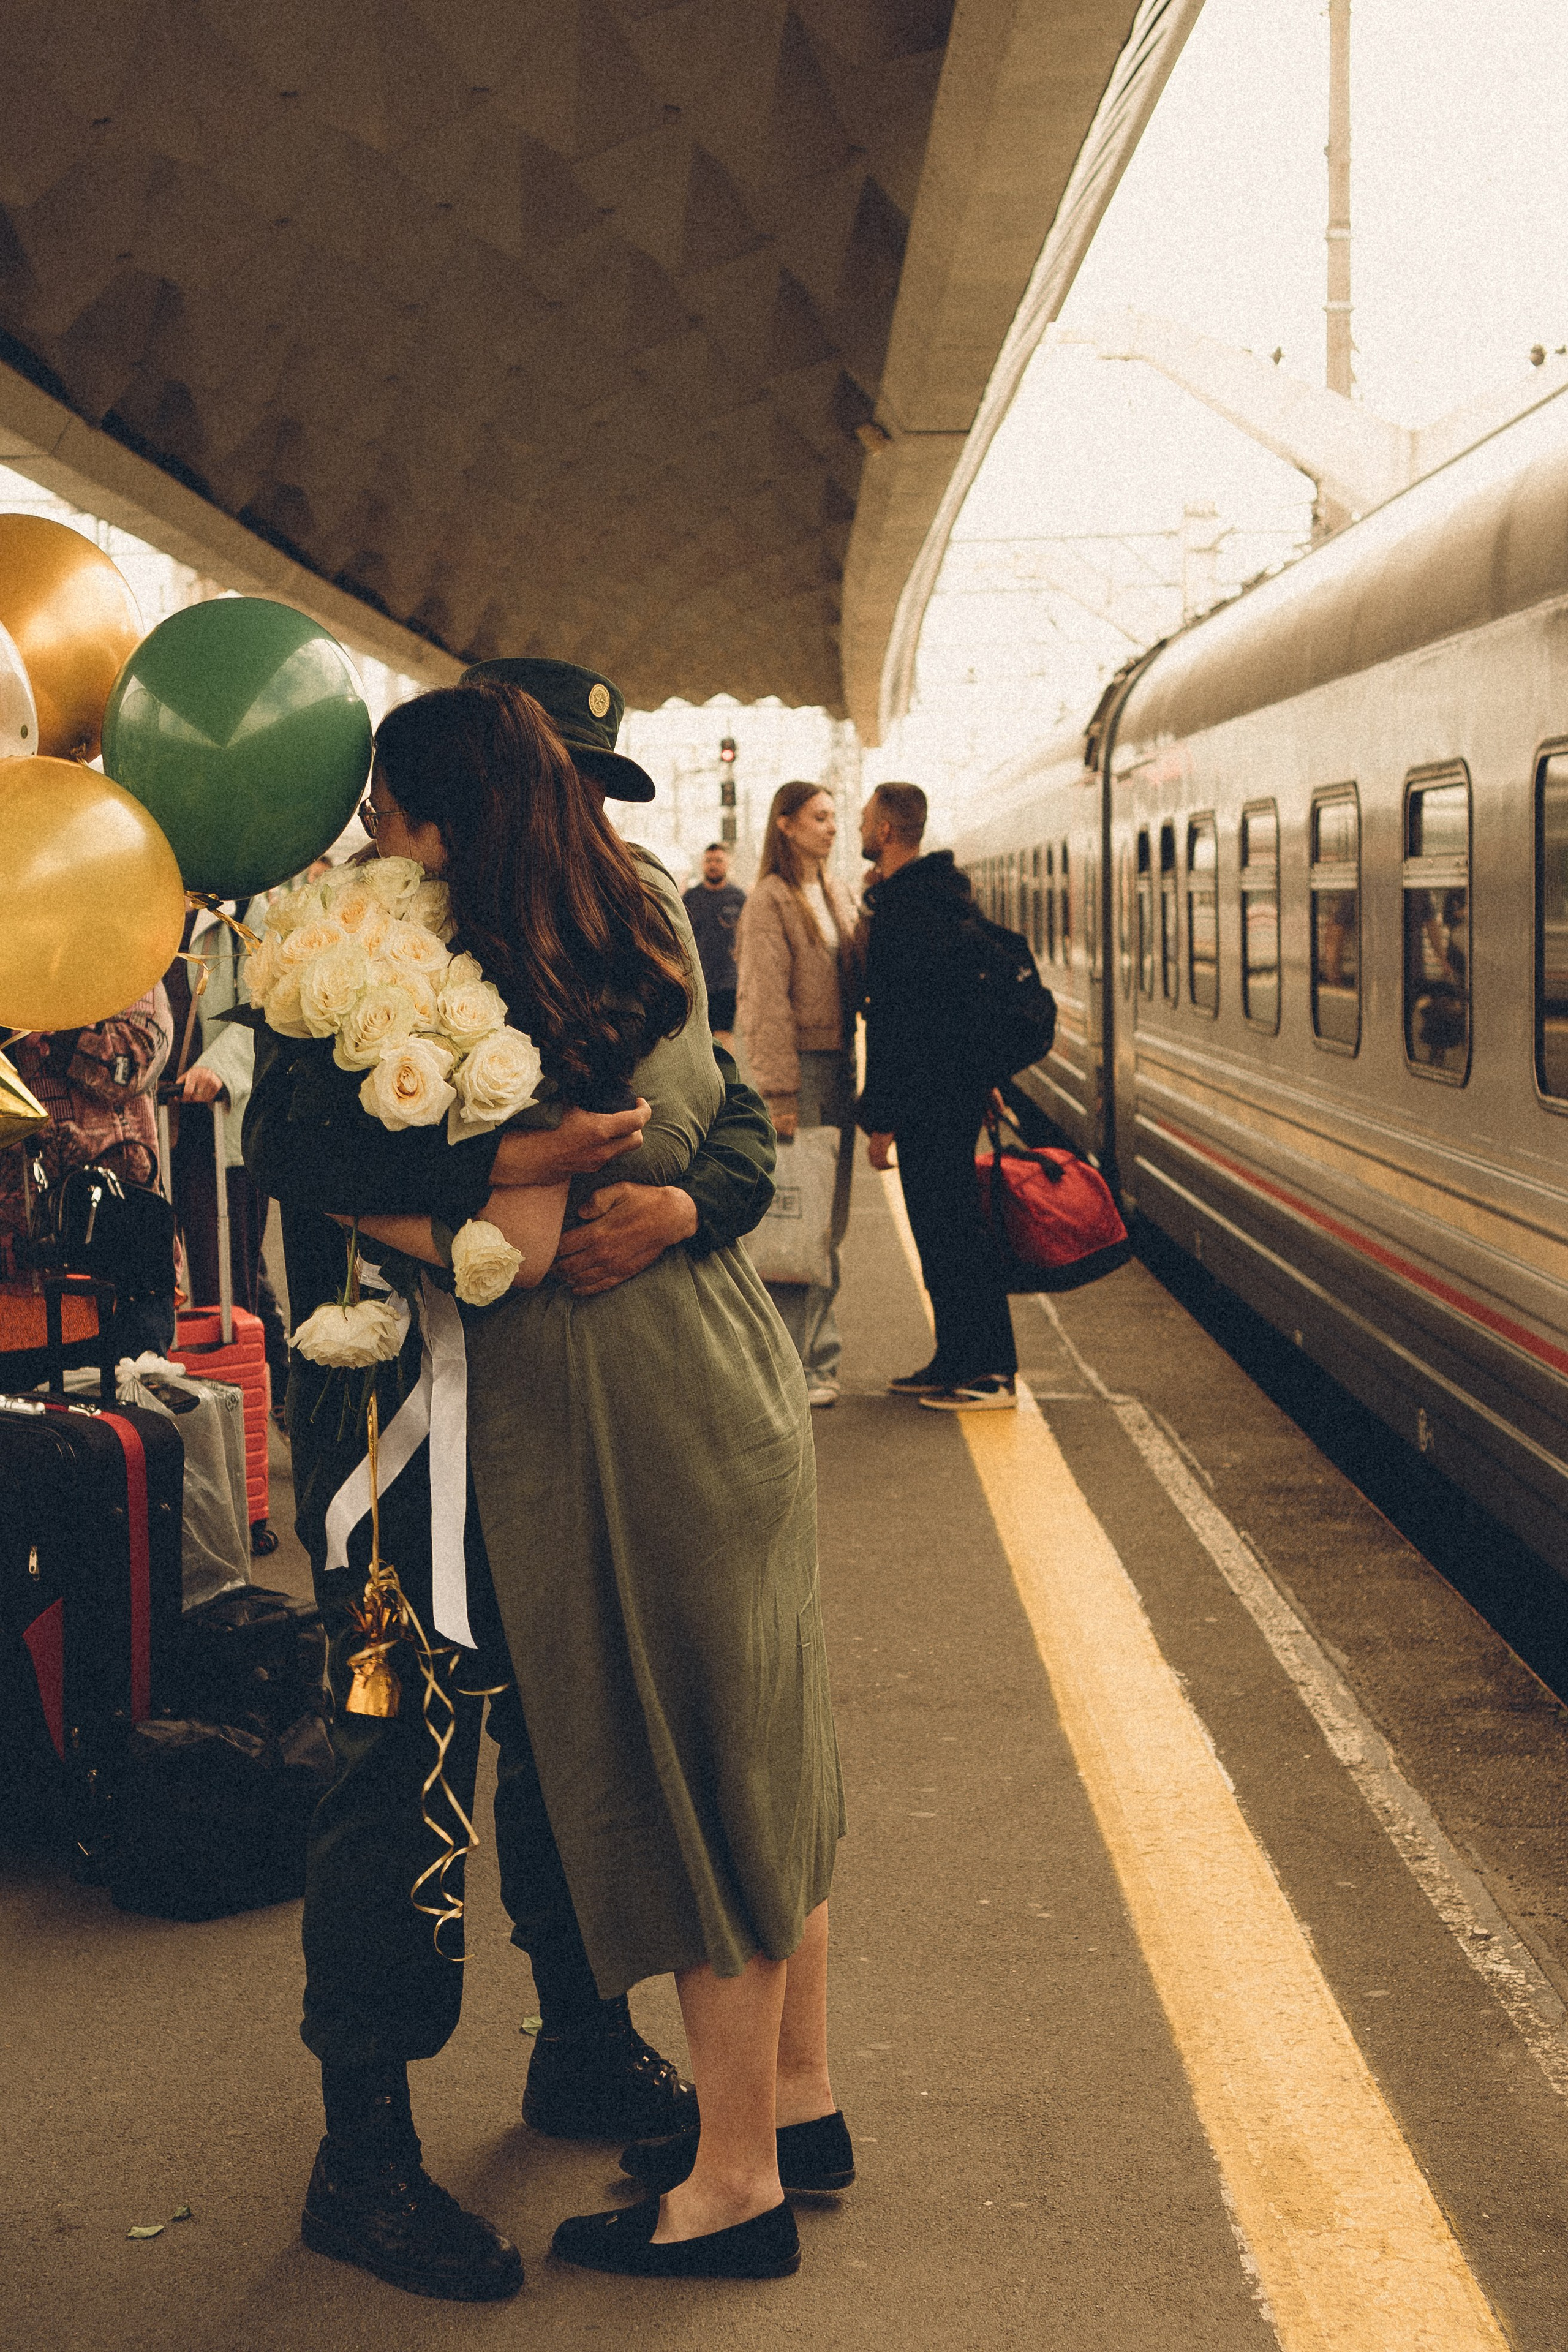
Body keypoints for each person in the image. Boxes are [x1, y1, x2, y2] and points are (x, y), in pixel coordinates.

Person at [246, 666, 846, 2298]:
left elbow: (729, 1132)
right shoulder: (338, 952)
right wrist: (510, 1161)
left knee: (575, 1742)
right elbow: (293, 1148)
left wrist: (678, 1207)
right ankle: (364, 2153)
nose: (577, 810)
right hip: (389, 1476)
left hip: (553, 1450)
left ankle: (581, 2044)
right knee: (393, 1769)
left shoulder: (608, 919)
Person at [858, 782, 1017, 1411]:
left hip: (930, 1098)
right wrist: (983, 1078)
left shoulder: (905, 908)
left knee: (955, 1233)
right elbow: (957, 1002)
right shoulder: (940, 895)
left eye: (865, 819)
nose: (860, 828)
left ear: (886, 831)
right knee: (944, 1231)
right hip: (951, 1089)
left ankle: (990, 1373)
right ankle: (954, 1359)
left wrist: (881, 1120)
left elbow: (897, 1022)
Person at [734, 783, 861, 1408]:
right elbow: (764, 1002)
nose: (832, 827)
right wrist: (779, 1092)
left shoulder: (835, 891)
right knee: (796, 1223)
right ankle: (795, 1365)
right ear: (785, 824)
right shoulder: (770, 899)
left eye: (835, 817)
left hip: (839, 1067)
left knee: (828, 1223)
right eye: (819, 817)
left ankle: (818, 1357)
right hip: (800, 1073)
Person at [0, 988, 178, 1358]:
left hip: (120, 1258)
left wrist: (57, 1026)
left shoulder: (126, 970)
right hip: (19, 1277)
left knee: (129, 1388)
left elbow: (134, 1064)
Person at [165, 902, 292, 1410]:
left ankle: (250, 1396)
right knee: (218, 1267)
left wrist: (218, 1068)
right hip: (156, 1117)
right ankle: (276, 1382)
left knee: (227, 1276)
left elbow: (267, 1008)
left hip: (219, 1119)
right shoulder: (149, 908)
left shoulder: (245, 911)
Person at [682, 842, 746, 1043]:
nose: (713, 865)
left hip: (728, 980)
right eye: (709, 861)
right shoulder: (691, 898)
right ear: (703, 864)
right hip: (698, 979)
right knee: (701, 1037)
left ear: (728, 863)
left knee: (724, 1036)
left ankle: (725, 1066)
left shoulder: (739, 898)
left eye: (719, 860)